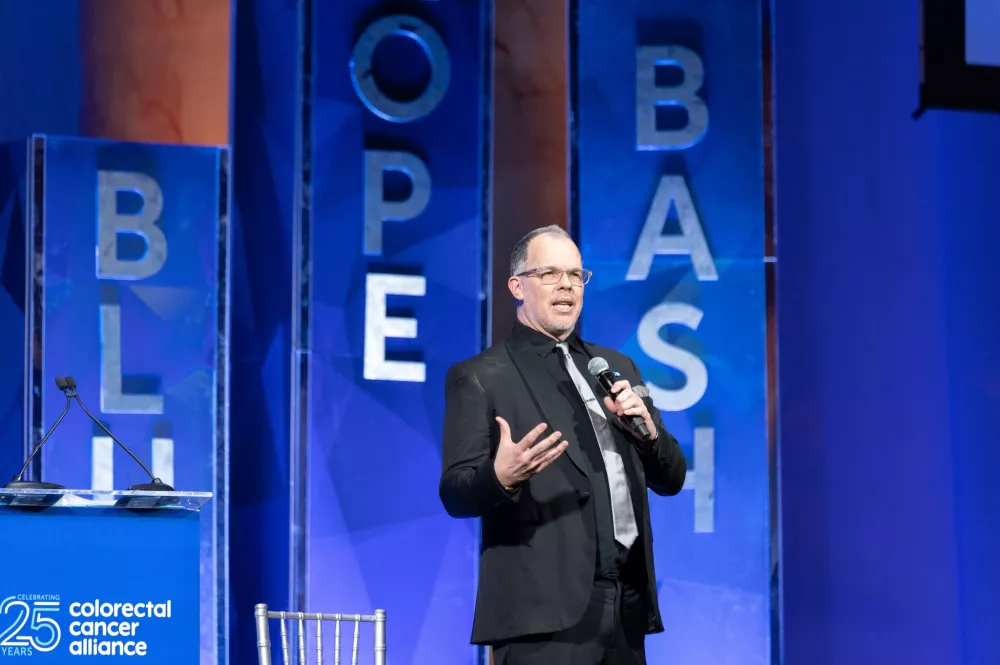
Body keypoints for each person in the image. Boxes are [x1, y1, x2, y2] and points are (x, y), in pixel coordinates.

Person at [439, 225, 687, 664]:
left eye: (576, 275)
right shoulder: (481, 375)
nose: (567, 285)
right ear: (517, 286)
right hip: (543, 618)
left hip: (627, 604)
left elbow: (672, 478)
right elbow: (456, 492)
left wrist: (649, 437)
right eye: (550, 273)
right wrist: (501, 476)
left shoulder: (614, 365)